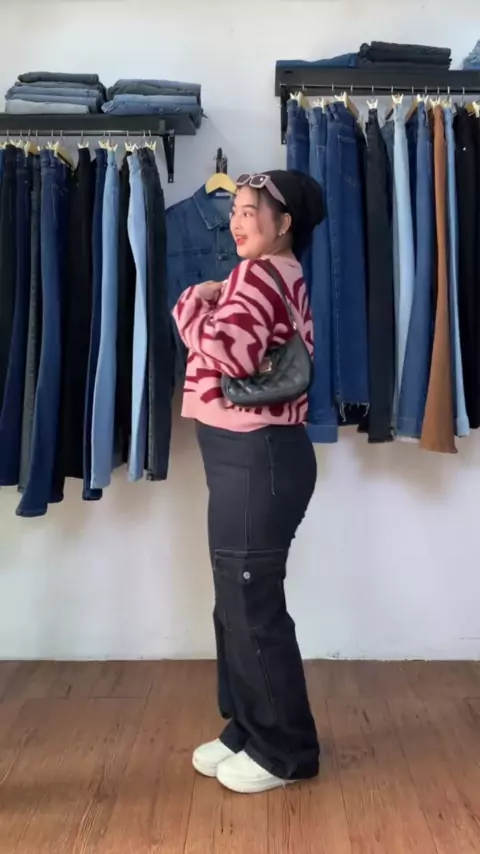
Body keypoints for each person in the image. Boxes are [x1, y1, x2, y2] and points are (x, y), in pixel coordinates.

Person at [172, 170, 324, 794]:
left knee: (250, 604)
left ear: (284, 224)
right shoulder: (273, 273)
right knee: (234, 601)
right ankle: (247, 728)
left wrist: (191, 302)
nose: (237, 221)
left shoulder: (258, 276)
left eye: (250, 211)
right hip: (248, 456)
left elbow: (230, 352)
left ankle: (285, 751)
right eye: (234, 210)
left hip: (257, 456)